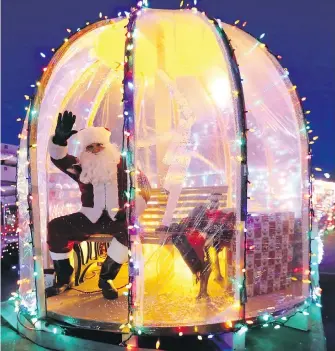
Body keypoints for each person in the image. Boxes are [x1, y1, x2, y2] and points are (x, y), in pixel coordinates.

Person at [47, 111, 150, 299]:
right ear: (85, 151)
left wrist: (129, 211)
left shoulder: (125, 165)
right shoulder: (81, 167)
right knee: (56, 226)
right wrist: (60, 141)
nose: (95, 150)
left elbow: (144, 187)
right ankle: (63, 278)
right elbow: (60, 159)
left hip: (117, 217)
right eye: (90, 147)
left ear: (108, 146)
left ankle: (106, 278)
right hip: (89, 217)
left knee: (130, 231)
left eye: (99, 146)